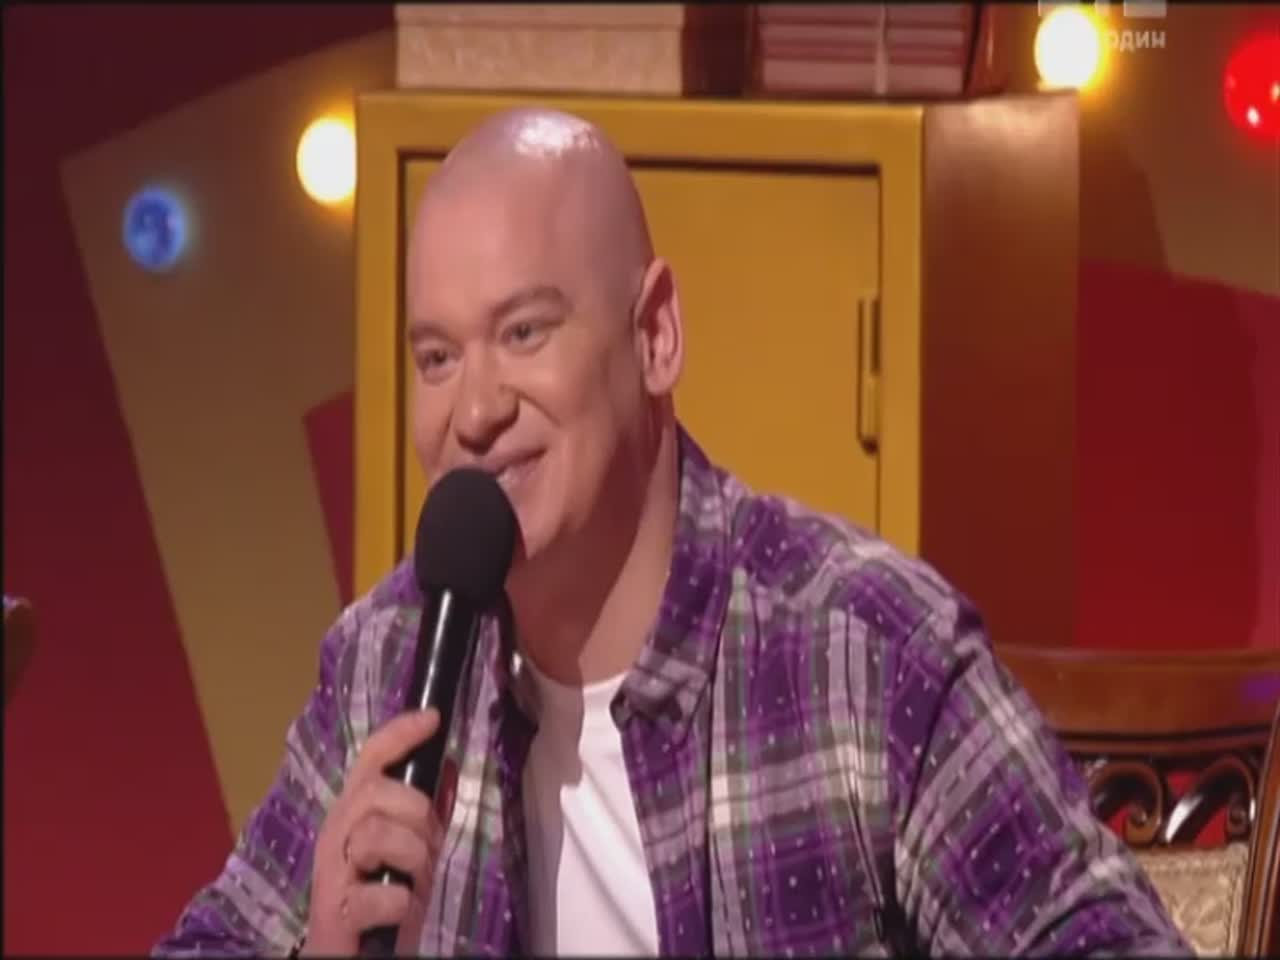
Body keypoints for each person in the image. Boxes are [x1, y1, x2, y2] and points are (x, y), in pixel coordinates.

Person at [154, 107, 1189, 958]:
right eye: (436, 357)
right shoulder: (384, 666)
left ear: (654, 335)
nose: (473, 411)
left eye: (523, 332)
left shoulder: (865, 655)